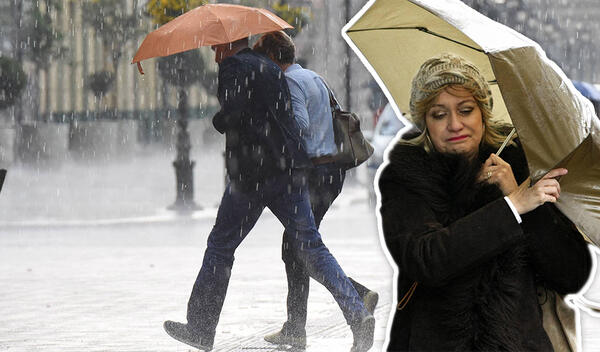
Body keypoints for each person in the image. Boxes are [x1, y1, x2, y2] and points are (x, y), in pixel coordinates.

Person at [163, 37, 375, 352]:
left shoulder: (233, 66)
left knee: (220, 248)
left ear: (228, 44)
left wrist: (219, 118)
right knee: (311, 247)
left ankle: (201, 328)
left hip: (251, 175)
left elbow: (235, 115)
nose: (212, 51)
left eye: (215, 45)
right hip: (287, 171)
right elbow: (280, 116)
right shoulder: (271, 68)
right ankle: (357, 314)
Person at [377, 53, 592, 351]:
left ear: (483, 112)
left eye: (466, 110)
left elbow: (571, 274)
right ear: (424, 122)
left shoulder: (523, 166)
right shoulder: (406, 176)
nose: (455, 124)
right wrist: (511, 207)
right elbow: (426, 260)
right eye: (439, 115)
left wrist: (520, 197)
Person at [253, 31, 379, 349]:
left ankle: (353, 306)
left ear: (271, 58)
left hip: (312, 174)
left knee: (304, 247)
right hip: (330, 173)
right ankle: (301, 324)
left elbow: (299, 124)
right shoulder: (313, 77)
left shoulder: (290, 82)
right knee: (296, 248)